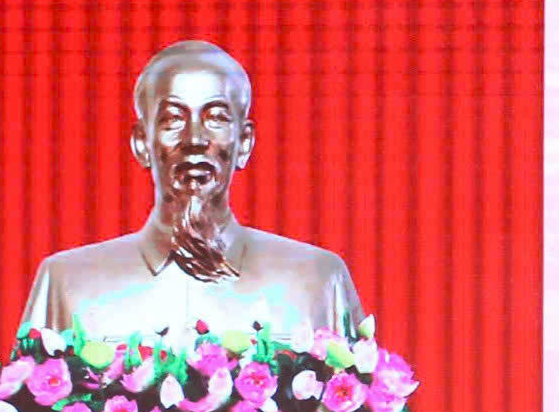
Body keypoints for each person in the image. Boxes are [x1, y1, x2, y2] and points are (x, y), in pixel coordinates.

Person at [18, 39, 363, 344]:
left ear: (244, 143)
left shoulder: (316, 280)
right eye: (172, 119)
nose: (195, 139)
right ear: (142, 143)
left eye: (216, 118)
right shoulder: (68, 283)